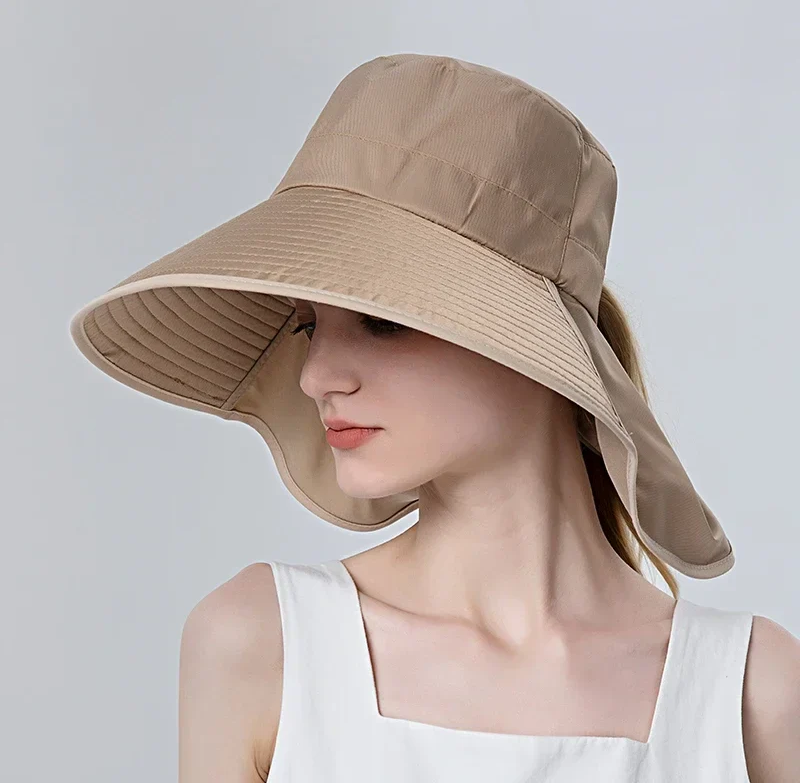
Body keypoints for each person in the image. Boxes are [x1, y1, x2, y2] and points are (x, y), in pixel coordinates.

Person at [68, 54, 800, 781]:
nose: (316, 375)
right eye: (307, 326)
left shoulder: (753, 693)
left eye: (381, 320)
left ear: (535, 343)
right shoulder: (260, 646)